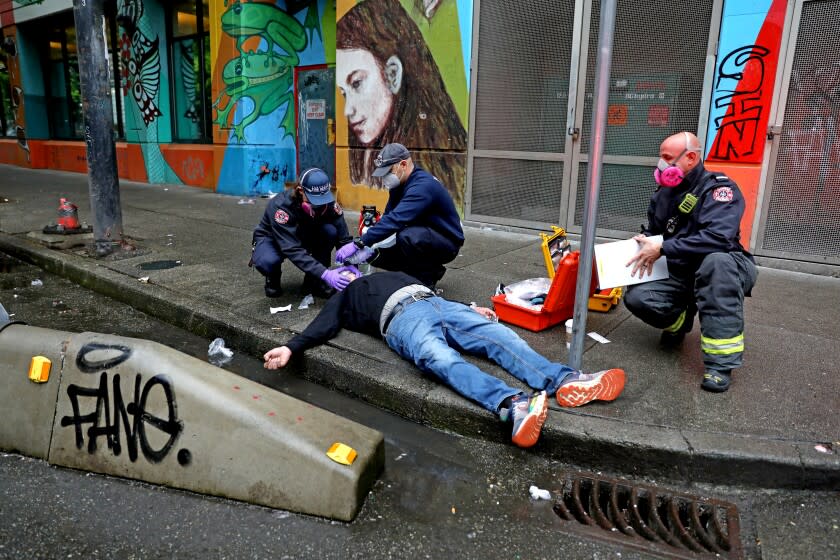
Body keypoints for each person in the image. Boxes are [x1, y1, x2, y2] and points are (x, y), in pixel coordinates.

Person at [263, 271, 626, 449]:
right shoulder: (348, 294)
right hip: (401, 319)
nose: (352, 272)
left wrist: (470, 307)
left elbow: (434, 291)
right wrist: (292, 347)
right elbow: (323, 324)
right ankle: (512, 404)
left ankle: (564, 381)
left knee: (500, 336)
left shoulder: (392, 272)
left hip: (437, 303)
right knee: (438, 357)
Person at [624, 131, 758, 393]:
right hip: (681, 269)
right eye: (660, 157)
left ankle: (720, 365)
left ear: (691, 158)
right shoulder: (664, 192)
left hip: (722, 268)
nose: (661, 165)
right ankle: (682, 320)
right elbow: (656, 231)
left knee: (716, 263)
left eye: (667, 158)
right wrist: (646, 241)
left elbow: (718, 238)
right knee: (637, 297)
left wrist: (663, 247)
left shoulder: (720, 190)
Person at [336, 0, 467, 209]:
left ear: (393, 74)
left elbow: (398, 220)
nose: (347, 110)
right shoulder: (382, 160)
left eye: (357, 83)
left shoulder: (423, 184)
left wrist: (364, 240)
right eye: (343, 92)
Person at [334, 143, 465, 287]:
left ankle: (426, 281)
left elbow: (396, 220)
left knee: (407, 237)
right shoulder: (399, 185)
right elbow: (389, 218)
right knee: (379, 252)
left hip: (447, 242)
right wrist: (370, 250)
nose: (384, 178)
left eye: (387, 171)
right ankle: (420, 274)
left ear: (403, 164)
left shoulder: (422, 187)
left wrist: (360, 243)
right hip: (427, 234)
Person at [250, 168, 354, 299]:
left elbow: (344, 239)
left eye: (322, 198)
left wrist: (352, 268)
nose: (319, 204)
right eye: (314, 200)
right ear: (300, 191)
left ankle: (313, 281)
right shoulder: (281, 206)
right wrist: (325, 273)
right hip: (274, 238)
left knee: (330, 232)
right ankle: (273, 277)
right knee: (267, 261)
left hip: (303, 234)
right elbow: (292, 249)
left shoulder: (329, 204)